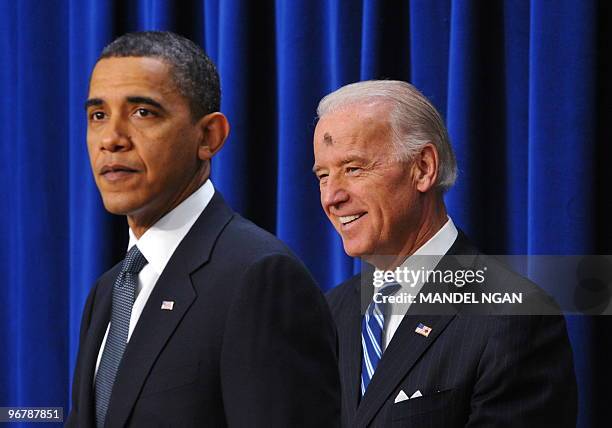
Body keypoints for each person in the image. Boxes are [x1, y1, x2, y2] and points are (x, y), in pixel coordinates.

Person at [67, 31, 340, 427]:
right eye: (98, 115)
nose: (111, 139)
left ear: (209, 136)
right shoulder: (109, 291)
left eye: (143, 112)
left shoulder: (260, 278)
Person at [313, 80, 577, 427]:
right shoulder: (328, 314)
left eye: (353, 168)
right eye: (322, 175)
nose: (332, 197)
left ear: (422, 168)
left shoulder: (515, 319)